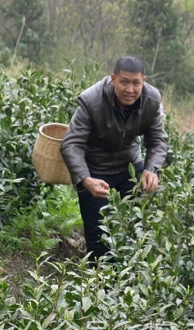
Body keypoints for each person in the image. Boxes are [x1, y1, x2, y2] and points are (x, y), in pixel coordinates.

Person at [60, 56, 168, 262]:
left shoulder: (152, 100)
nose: (130, 89)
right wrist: (85, 178)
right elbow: (71, 144)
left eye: (136, 83)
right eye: (124, 82)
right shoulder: (91, 100)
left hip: (130, 165)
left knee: (139, 226)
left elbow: (158, 141)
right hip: (96, 170)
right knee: (99, 238)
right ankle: (99, 285)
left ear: (143, 81)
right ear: (113, 79)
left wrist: (151, 169)